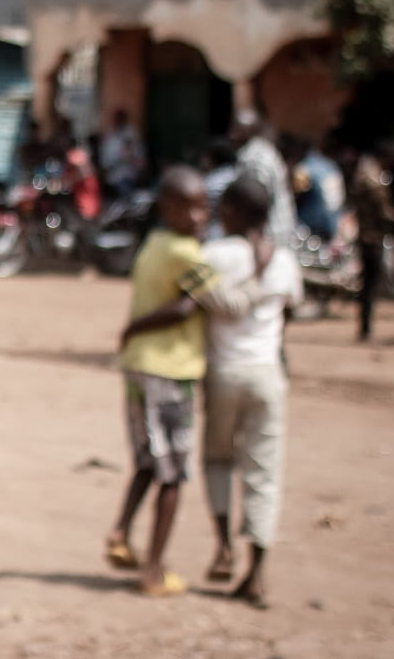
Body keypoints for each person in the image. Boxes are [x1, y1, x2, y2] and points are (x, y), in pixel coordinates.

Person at [107, 167, 259, 597]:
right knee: (172, 473)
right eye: (189, 207)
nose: (198, 216)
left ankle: (121, 533)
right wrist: (260, 275)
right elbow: (213, 306)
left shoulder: (155, 243)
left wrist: (132, 330)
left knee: (148, 461)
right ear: (167, 208)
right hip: (169, 369)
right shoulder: (187, 254)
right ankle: (153, 570)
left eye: (203, 207)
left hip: (140, 365)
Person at [196, 176, 299, 609]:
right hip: (267, 374)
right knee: (264, 472)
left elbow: (198, 303)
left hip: (223, 372)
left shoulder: (212, 255)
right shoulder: (284, 260)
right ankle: (256, 572)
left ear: (232, 211)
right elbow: (288, 311)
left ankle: (223, 545)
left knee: (218, 459)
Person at [349, 144, 394, 343]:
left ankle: (365, 327)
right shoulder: (373, 178)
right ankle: (365, 328)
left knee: (367, 285)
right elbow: (382, 208)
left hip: (366, 236)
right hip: (373, 238)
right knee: (370, 285)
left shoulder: (364, 174)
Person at [229, 110, 296, 246]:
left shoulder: (255, 157)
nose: (232, 135)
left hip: (269, 234)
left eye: (238, 129)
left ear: (251, 131)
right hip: (276, 230)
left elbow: (255, 201)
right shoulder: (262, 151)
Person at [99, 109, 146, 197]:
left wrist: (132, 157)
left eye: (122, 119)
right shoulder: (110, 140)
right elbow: (105, 164)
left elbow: (141, 164)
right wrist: (121, 158)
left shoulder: (133, 136)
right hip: (114, 178)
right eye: (117, 119)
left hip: (130, 178)